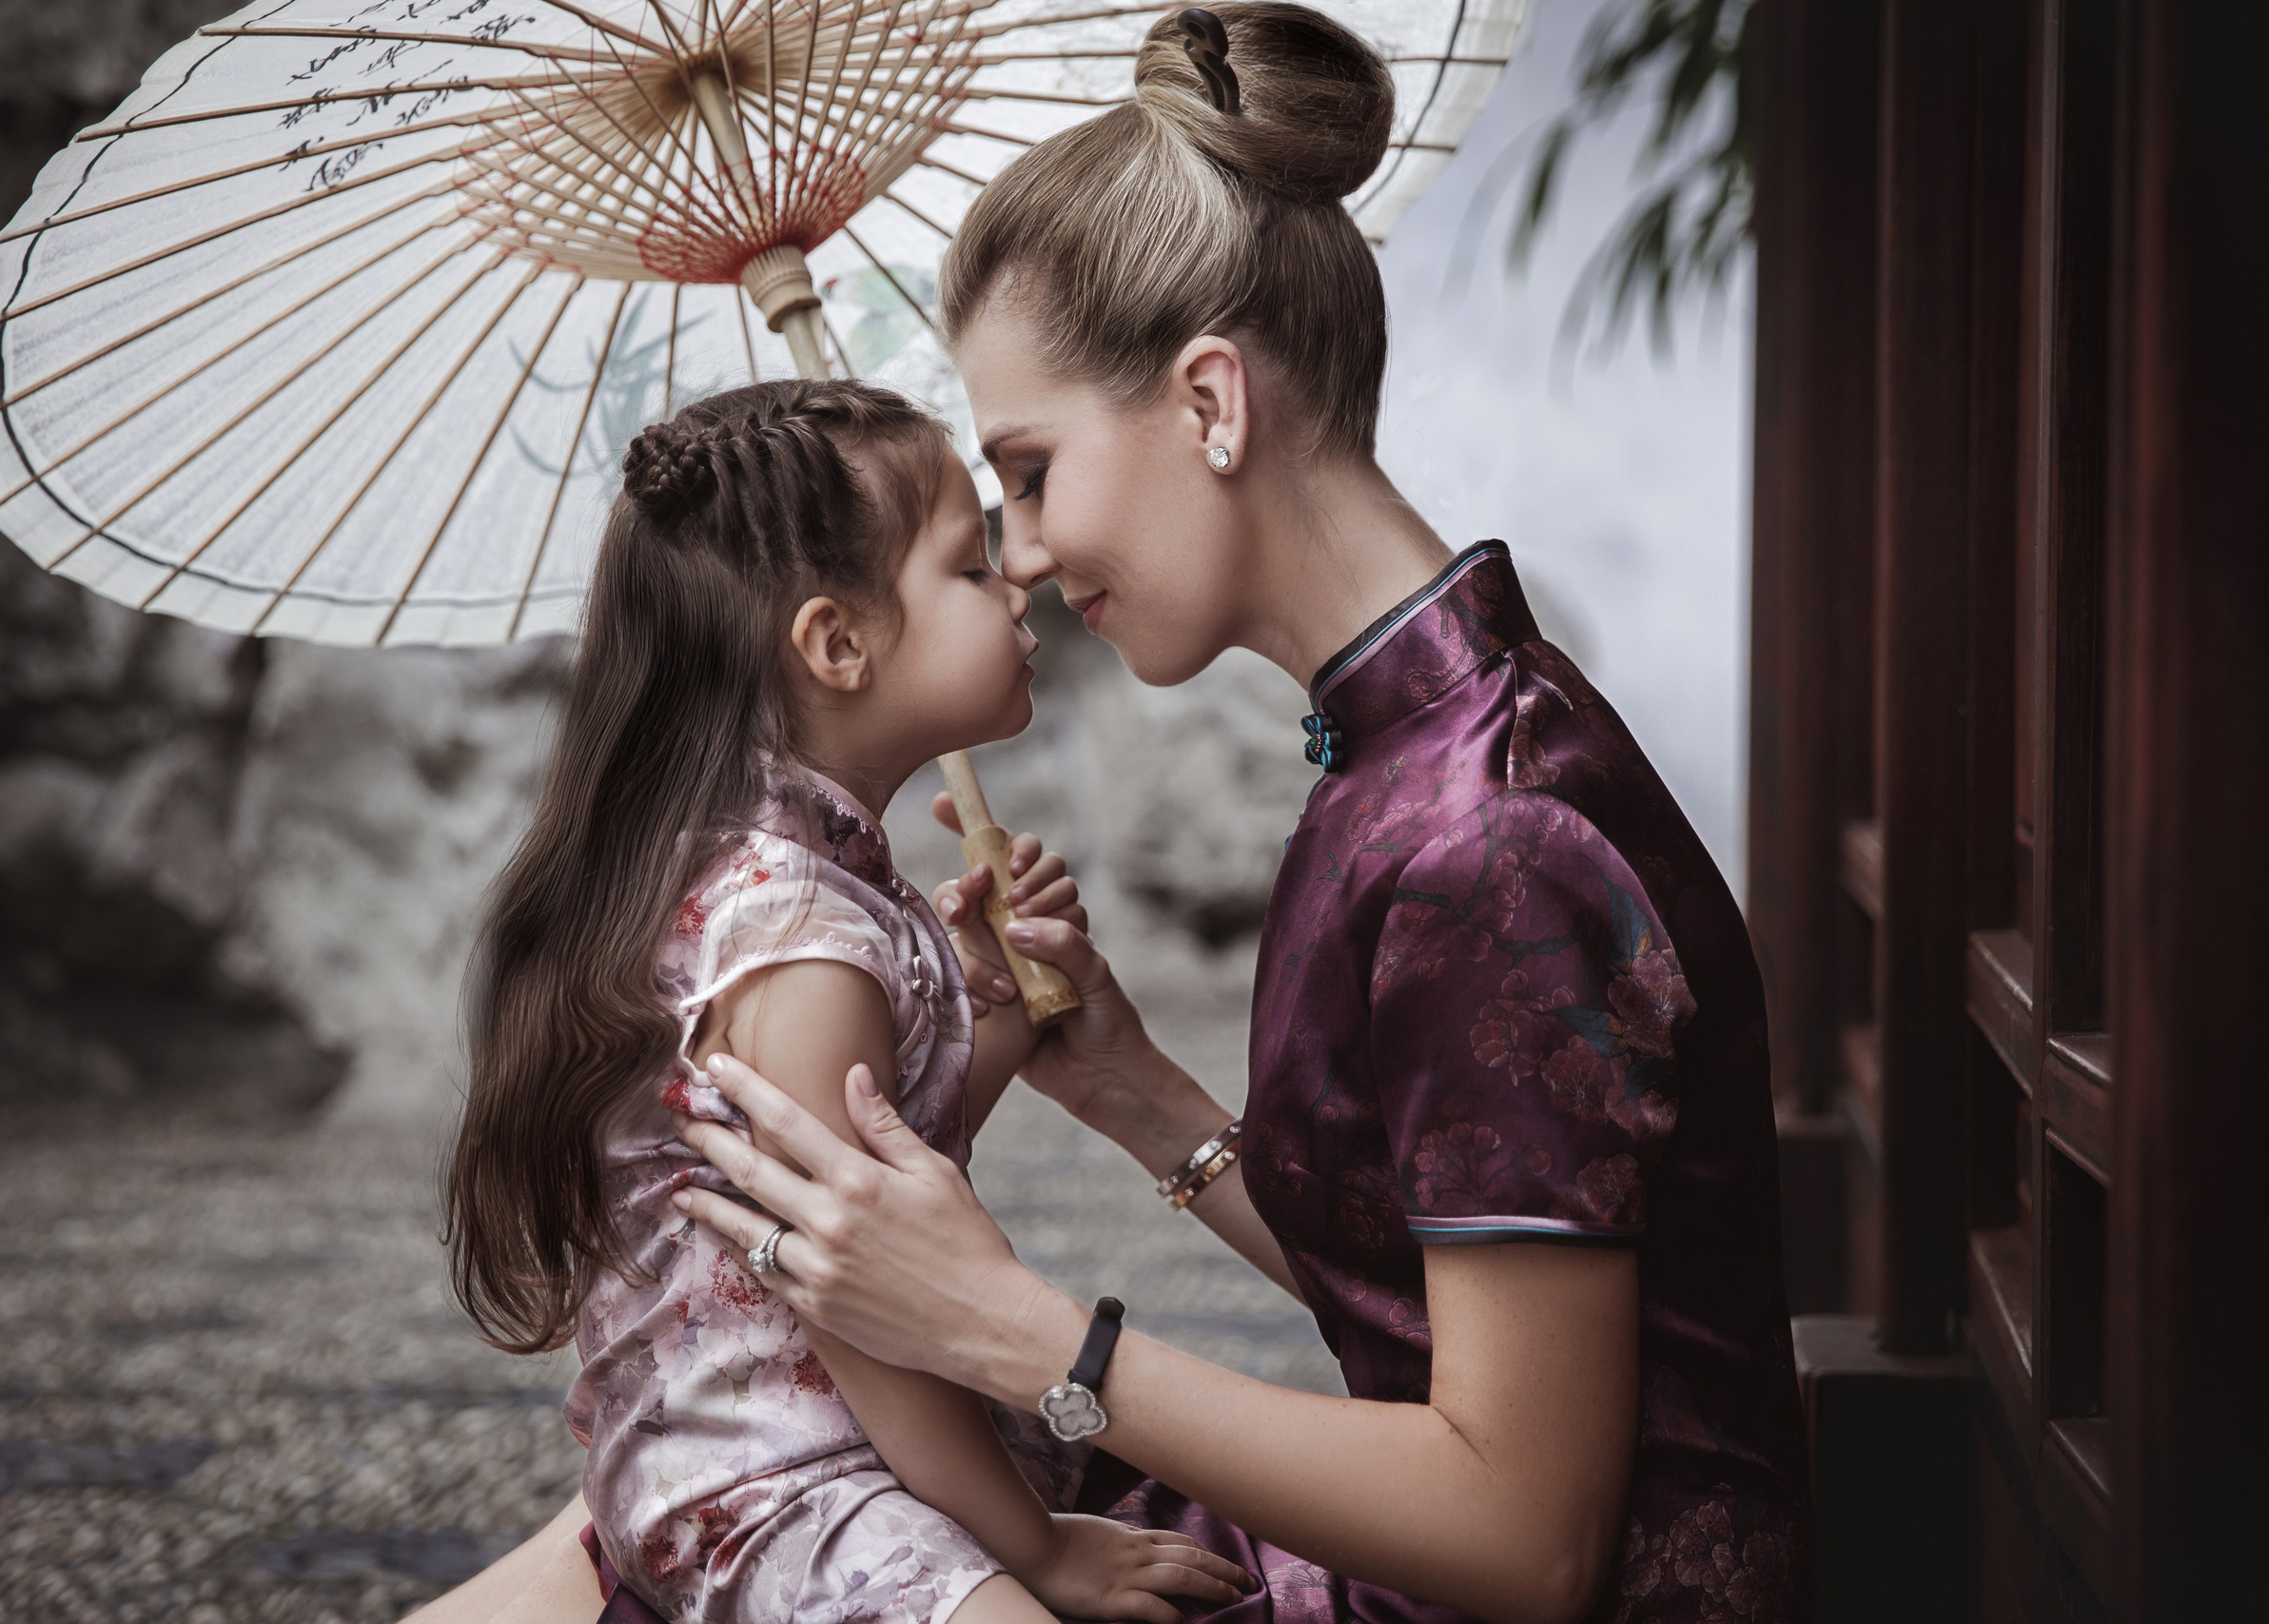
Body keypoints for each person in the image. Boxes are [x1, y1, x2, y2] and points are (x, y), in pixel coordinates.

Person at [420, 5, 1808, 1622]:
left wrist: (1019, 1332)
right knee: (613, 1539)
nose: (1016, 556)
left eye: (1027, 470)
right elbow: (1440, 1305)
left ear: (1211, 404)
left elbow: (1532, 1544)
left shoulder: (1481, 844)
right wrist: (1134, 1093)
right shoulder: (1407, 756)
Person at [436, 378, 1254, 1624]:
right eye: (971, 568)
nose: (1018, 581)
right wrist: (1034, 1553)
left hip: (842, 1414)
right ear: (836, 644)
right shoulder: (799, 941)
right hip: (772, 1469)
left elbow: (886, 1152)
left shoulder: (812, 879)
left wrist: (996, 1002)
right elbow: (860, 1298)